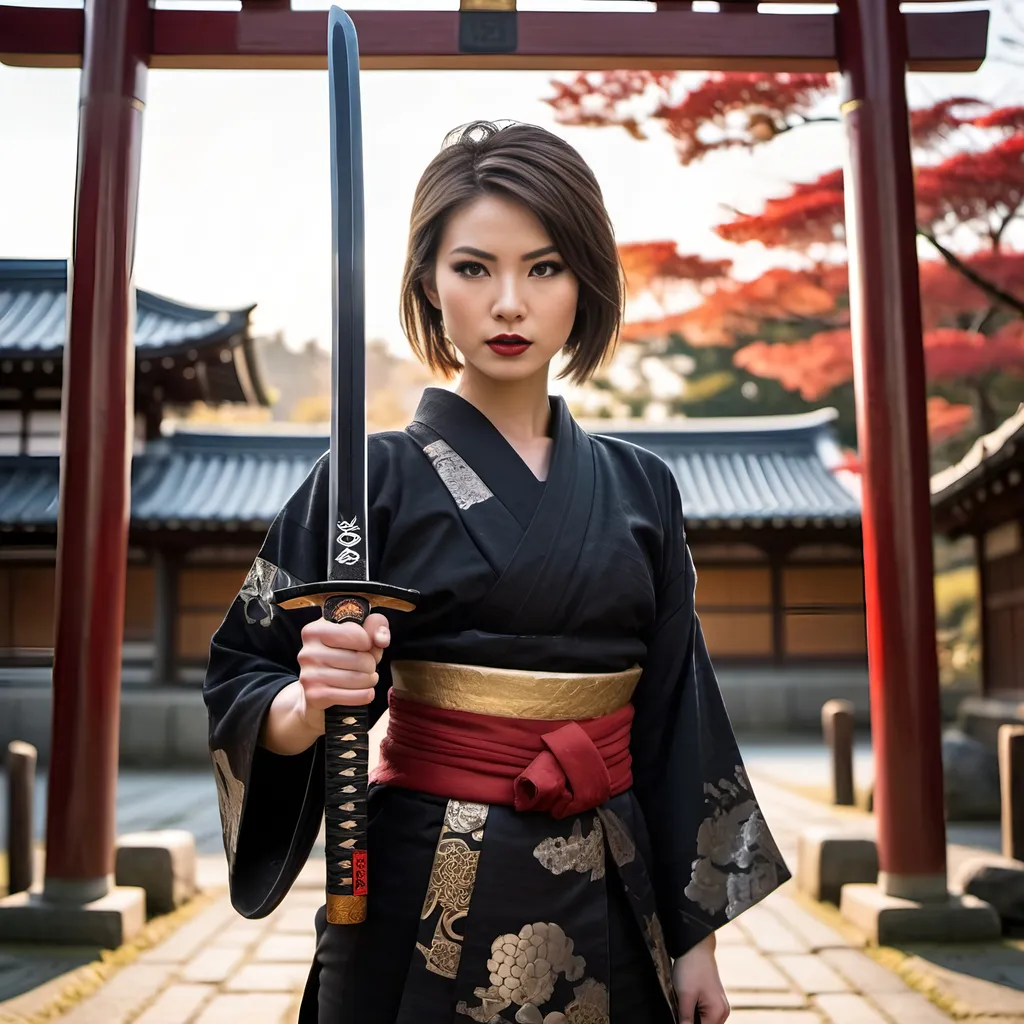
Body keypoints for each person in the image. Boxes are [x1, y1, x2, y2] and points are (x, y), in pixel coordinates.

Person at [204, 121, 789, 1024]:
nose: (508, 302)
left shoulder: (644, 488)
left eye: (544, 267)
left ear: (584, 281)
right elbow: (244, 669)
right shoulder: (367, 483)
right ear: (429, 285)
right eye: (473, 268)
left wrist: (697, 939)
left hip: (611, 881)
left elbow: (678, 716)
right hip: (414, 887)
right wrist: (305, 701)